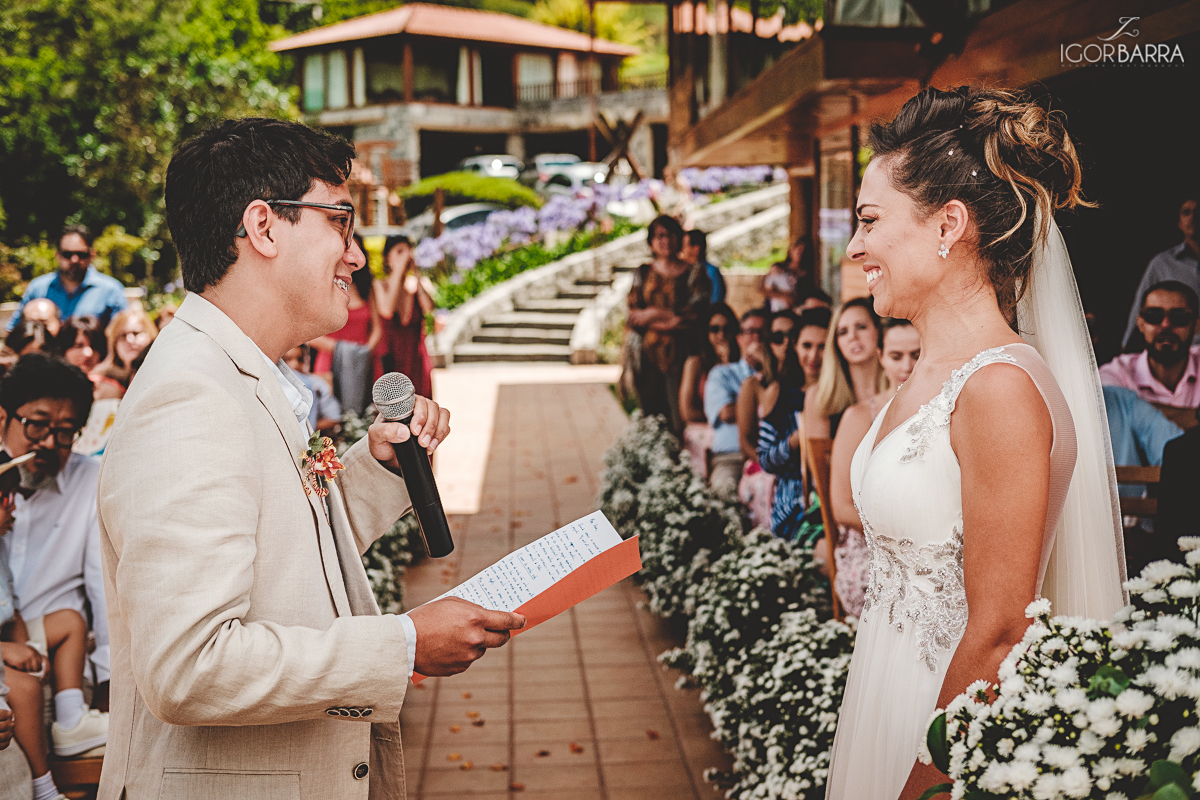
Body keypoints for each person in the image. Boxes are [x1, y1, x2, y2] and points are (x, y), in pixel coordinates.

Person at [96, 117, 525, 799]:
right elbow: (190, 667)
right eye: (341, 223)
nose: (356, 257)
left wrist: (377, 467)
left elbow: (279, 550)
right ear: (264, 227)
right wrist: (404, 645)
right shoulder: (189, 397)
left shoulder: (237, 371)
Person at [825, 86, 1126, 800]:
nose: (856, 247)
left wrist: (924, 786)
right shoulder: (924, 375)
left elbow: (998, 632)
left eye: (870, 220)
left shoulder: (998, 390)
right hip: (885, 690)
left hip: (943, 727)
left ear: (948, 224)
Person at [0, 354, 110, 776]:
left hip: (55, 659)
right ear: (5, 417)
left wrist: (108, 680)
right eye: (37, 425)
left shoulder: (89, 480)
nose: (48, 443)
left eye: (65, 432)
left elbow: (103, 588)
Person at [828, 318, 920, 617]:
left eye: (916, 354)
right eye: (896, 356)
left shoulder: (945, 410)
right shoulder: (858, 417)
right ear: (880, 356)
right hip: (871, 541)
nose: (907, 366)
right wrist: (899, 536)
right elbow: (841, 507)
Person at [626, 215, 711, 436]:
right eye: (660, 236)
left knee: (680, 416)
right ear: (651, 242)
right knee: (651, 417)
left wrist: (652, 315)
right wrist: (668, 320)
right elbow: (634, 315)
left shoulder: (694, 273)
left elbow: (695, 314)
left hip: (684, 355)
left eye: (671, 235)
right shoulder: (643, 273)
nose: (666, 241)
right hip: (647, 355)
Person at [6, 226, 127, 332]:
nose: (74, 260)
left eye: (81, 254)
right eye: (67, 254)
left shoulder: (111, 290)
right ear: (57, 255)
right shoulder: (38, 288)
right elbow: (14, 330)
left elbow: (119, 335)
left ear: (92, 255)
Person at [311, 237, 383, 415]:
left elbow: (377, 328)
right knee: (332, 418)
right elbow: (309, 334)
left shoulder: (366, 287)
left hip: (365, 360)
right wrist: (341, 349)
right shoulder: (321, 285)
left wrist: (364, 351)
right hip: (331, 362)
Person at [754, 311, 810, 539]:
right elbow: (764, 458)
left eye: (792, 336)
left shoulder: (839, 394)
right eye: (779, 337)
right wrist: (794, 441)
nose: (786, 343)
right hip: (794, 501)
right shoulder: (778, 392)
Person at [1100, 281, 1200, 409]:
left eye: (1179, 317)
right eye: (1154, 316)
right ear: (1140, 324)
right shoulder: (1115, 373)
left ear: (1196, 325)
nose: (1166, 324)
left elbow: (1125, 415)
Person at [803, 297, 888, 441]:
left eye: (861, 327)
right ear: (836, 342)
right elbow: (819, 456)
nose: (852, 337)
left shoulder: (898, 388)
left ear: (878, 331)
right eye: (843, 332)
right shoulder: (820, 396)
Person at [1122, 190, 1199, 348]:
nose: (1193, 217)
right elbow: (1139, 308)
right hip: (1179, 352)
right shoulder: (1163, 263)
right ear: (1179, 223)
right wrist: (1127, 348)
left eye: (1198, 212)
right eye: (1186, 212)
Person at [703, 305, 760, 495]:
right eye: (750, 332)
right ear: (739, 338)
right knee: (722, 493)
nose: (757, 338)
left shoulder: (782, 378)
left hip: (773, 460)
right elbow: (726, 413)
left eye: (763, 332)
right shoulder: (722, 373)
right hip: (731, 458)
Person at [679, 303, 739, 477]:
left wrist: (727, 362)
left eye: (727, 329)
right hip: (707, 429)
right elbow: (687, 411)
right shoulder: (695, 363)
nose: (721, 335)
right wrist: (717, 414)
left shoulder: (740, 363)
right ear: (706, 333)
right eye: (715, 329)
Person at [376, 235, 434, 399]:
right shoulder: (379, 285)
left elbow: (429, 308)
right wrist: (398, 270)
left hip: (417, 360)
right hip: (391, 360)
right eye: (399, 252)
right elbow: (387, 310)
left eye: (408, 251)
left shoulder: (418, 285)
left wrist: (417, 275)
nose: (406, 256)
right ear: (387, 258)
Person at [93, 304, 158, 396]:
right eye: (123, 335)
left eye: (136, 333)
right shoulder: (101, 381)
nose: (129, 340)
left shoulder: (161, 374)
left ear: (150, 335)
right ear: (114, 344)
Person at [284, 345, 343, 433]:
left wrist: (309, 427)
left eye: (300, 359)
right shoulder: (274, 382)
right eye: (287, 360)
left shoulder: (316, 384)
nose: (294, 364)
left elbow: (334, 417)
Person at [761, 236, 814, 311]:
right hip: (772, 308)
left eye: (804, 251)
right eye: (798, 249)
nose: (800, 253)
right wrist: (783, 296)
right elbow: (762, 287)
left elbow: (801, 297)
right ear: (791, 250)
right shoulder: (778, 267)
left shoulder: (806, 275)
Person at [680, 229, 726, 305]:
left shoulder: (711, 272)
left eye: (684, 245)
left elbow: (716, 302)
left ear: (696, 249)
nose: (681, 250)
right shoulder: (682, 270)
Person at [796, 306, 831, 387]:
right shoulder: (778, 390)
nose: (813, 356)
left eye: (822, 347)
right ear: (795, 345)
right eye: (807, 346)